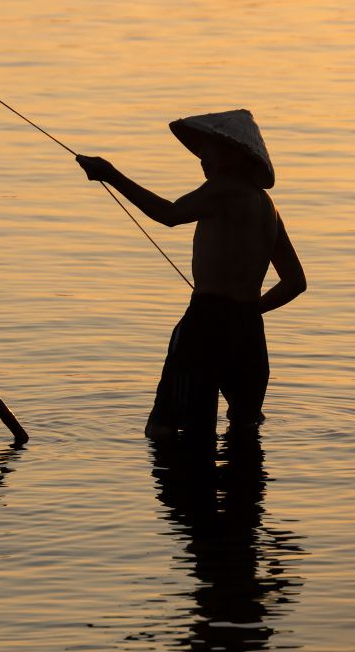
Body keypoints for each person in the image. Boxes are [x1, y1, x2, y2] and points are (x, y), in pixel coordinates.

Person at [75, 110, 306, 440]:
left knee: (165, 428)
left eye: (206, 151)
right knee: (244, 429)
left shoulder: (222, 190)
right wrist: (251, 311)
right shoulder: (267, 206)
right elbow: (295, 282)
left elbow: (168, 214)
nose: (201, 161)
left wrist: (111, 174)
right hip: (249, 332)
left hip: (206, 324)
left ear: (229, 154)